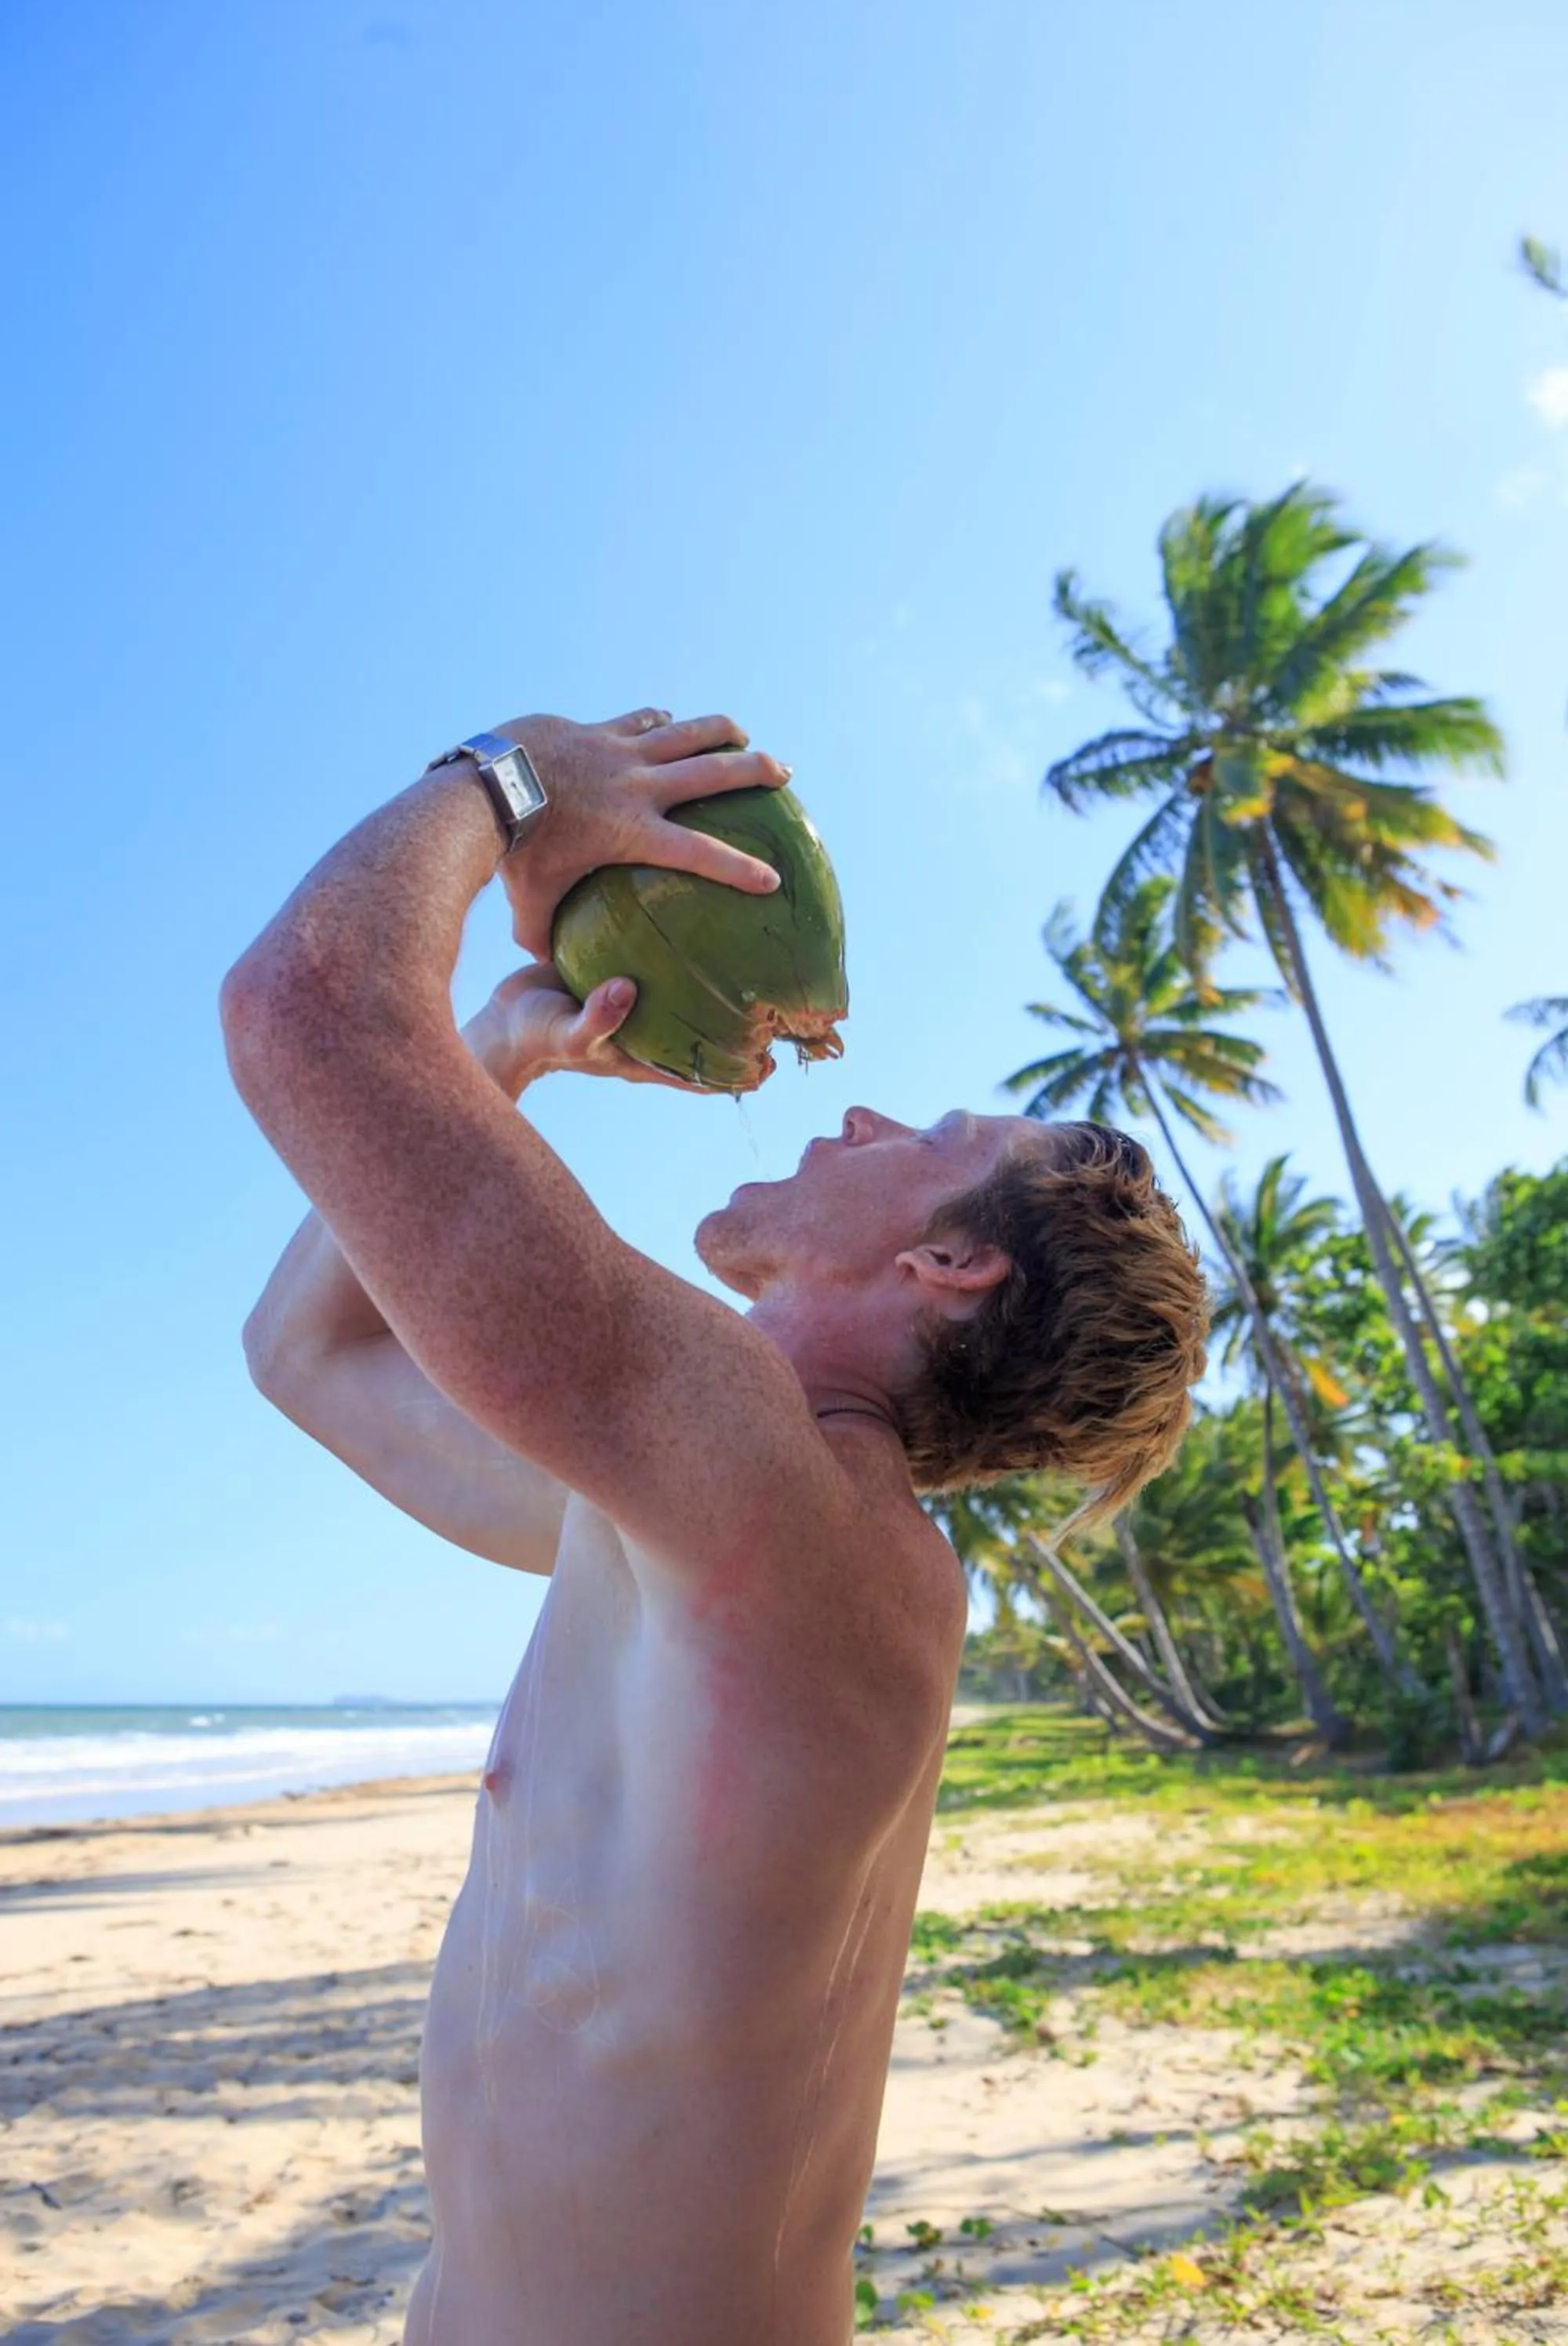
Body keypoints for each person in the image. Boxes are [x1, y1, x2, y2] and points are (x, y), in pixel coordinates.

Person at [222, 706, 1209, 2346]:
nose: (858, 1117)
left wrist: (512, 783)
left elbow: (306, 1008)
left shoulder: (786, 1511)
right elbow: (303, 1357)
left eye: (931, 1143)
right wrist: (504, 1052)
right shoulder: (703, 1536)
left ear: (950, 1269)